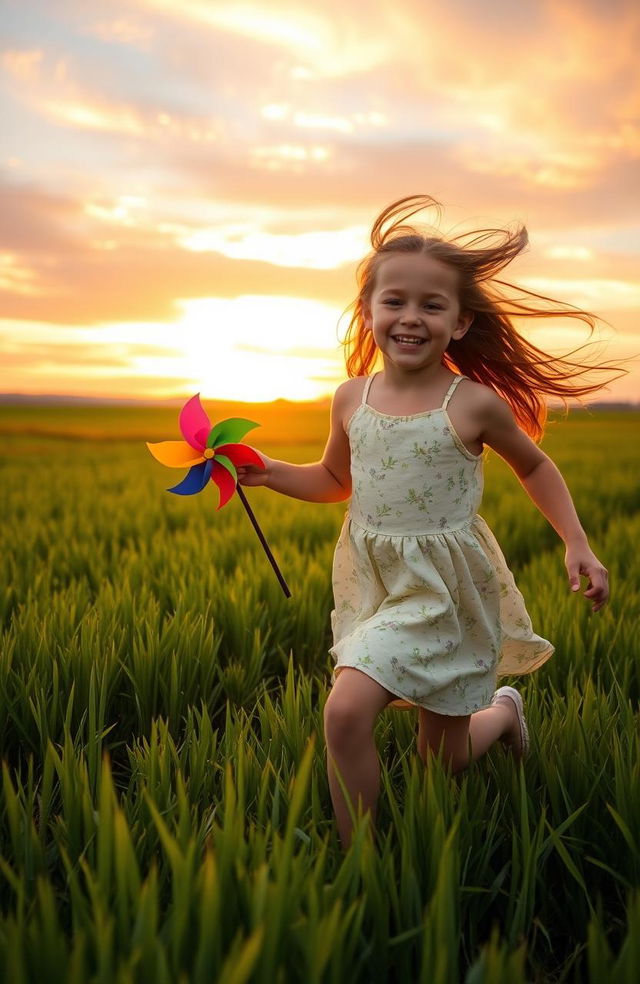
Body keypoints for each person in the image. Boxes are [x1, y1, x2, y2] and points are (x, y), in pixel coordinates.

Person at [237, 195, 618, 851]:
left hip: (446, 591)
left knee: (442, 758)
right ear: (369, 312)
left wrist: (576, 542)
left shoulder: (471, 404)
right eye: (395, 301)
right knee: (346, 711)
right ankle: (365, 864)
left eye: (431, 305)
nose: (411, 317)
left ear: (460, 321)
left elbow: (535, 468)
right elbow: (335, 481)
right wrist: (270, 470)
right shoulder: (351, 397)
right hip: (379, 586)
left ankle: (501, 714)